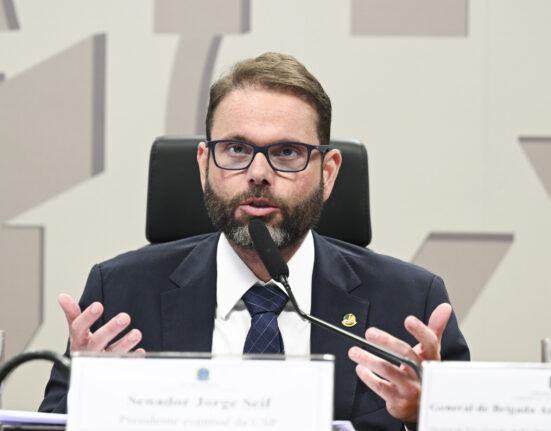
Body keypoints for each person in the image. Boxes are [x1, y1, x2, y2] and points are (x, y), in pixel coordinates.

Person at [39, 52, 469, 430]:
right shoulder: (121, 297)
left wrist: (424, 416)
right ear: (205, 164)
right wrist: (88, 402)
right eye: (236, 149)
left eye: (286, 152)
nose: (258, 173)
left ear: (328, 172)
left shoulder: (410, 304)